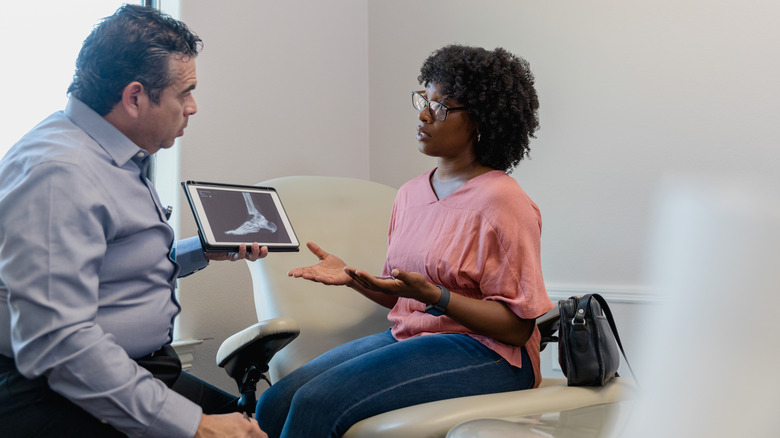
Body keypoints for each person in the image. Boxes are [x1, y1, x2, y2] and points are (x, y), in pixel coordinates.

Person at [254, 44, 555, 437]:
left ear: (481, 121)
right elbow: (403, 297)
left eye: (442, 107)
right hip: (410, 334)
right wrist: (354, 278)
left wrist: (439, 298)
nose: (424, 115)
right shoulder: (410, 194)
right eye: (423, 100)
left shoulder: (503, 201)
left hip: (491, 353)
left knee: (317, 402)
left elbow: (517, 328)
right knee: (274, 401)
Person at [0, 5, 266, 438]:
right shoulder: (59, 174)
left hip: (136, 368)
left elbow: (113, 268)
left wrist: (198, 251)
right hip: (64, 387)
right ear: (135, 97)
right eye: (185, 92)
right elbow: (57, 343)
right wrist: (197, 427)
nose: (193, 107)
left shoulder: (108, 152)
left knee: (265, 419)